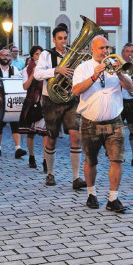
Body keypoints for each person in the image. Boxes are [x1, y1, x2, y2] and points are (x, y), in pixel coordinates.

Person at [73, 35, 133, 212]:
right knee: (91, 161)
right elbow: (76, 91)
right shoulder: (83, 68)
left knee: (117, 160)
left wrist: (120, 72)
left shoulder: (115, 67)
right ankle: (91, 194)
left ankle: (113, 198)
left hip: (114, 121)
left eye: (107, 48)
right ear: (93, 49)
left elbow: (130, 88)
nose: (106, 51)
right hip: (90, 122)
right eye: (101, 48)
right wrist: (94, 76)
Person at [34, 26, 87, 189]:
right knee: (51, 138)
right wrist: (57, 70)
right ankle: (50, 173)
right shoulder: (46, 55)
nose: (64, 41)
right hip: (51, 100)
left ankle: (76, 177)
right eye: (60, 38)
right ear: (54, 39)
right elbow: (37, 74)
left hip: (70, 100)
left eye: (65, 38)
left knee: (75, 136)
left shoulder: (74, 55)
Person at [18, 46, 48, 169]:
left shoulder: (47, 68)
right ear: (32, 56)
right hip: (31, 102)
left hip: (44, 101)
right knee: (31, 133)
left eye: (41, 54)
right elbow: (25, 86)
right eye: (36, 54)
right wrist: (34, 73)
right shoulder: (26, 69)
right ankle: (31, 156)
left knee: (46, 133)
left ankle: (46, 160)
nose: (39, 56)